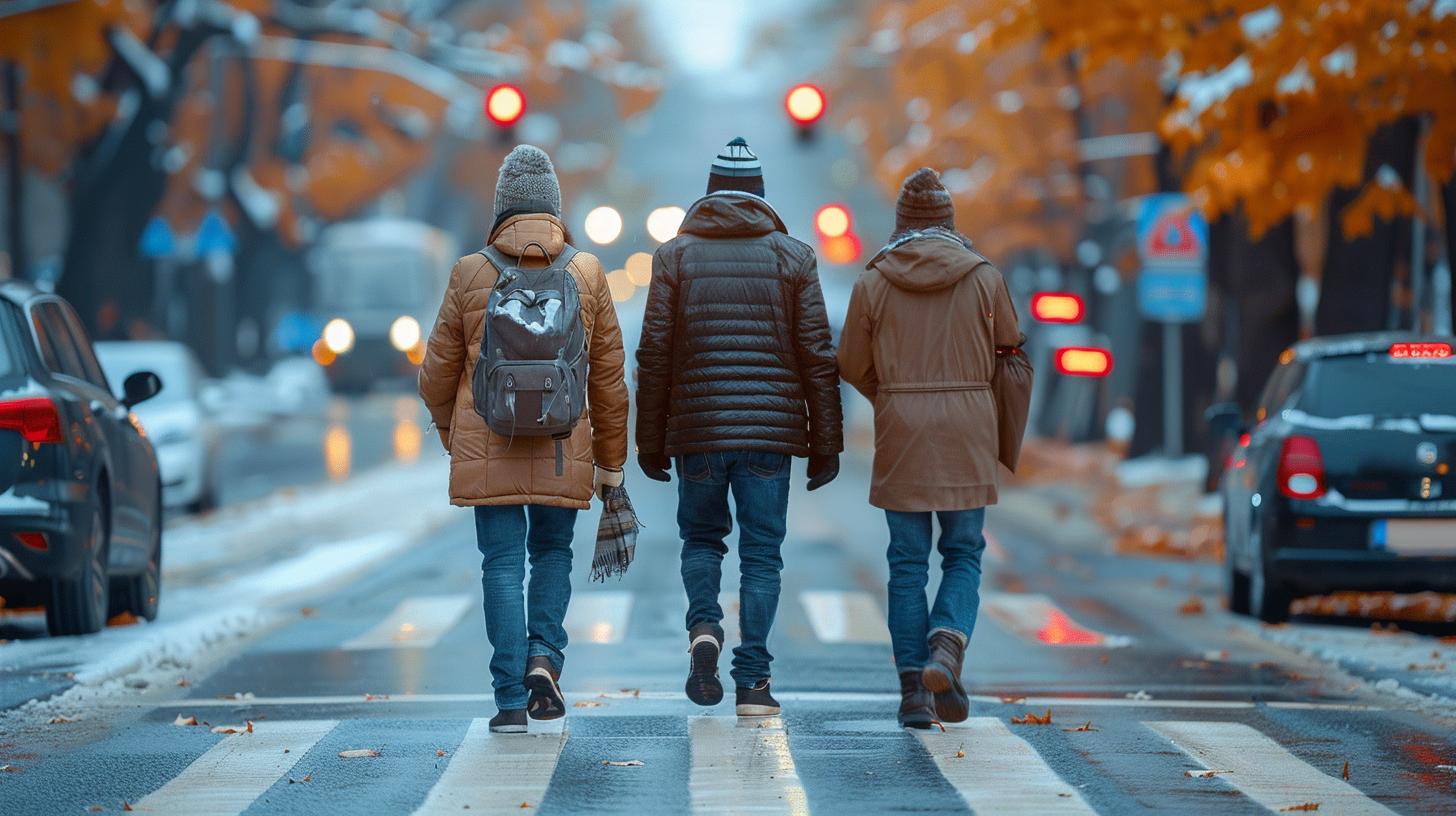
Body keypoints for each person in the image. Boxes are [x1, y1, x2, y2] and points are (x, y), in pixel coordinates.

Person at [419, 144, 629, 734]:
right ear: (556, 208)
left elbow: (435, 375)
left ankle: (510, 699)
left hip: (490, 443)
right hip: (564, 446)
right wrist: (610, 464)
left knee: (502, 564)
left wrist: (451, 434)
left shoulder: (470, 273)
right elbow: (610, 381)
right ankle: (545, 660)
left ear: (501, 207)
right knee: (553, 555)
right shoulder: (586, 274)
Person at [635, 137, 843, 717]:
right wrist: (826, 443)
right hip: (769, 435)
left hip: (697, 432)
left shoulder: (673, 257)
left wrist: (649, 440)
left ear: (708, 195)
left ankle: (704, 628)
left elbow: (654, 354)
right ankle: (753, 680)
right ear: (760, 197)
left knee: (701, 540)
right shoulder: (794, 258)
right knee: (762, 554)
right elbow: (817, 355)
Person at [837, 167, 1023, 729]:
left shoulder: (874, 280)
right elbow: (1009, 349)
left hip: (903, 432)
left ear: (900, 225)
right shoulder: (984, 277)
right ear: (947, 222)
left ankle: (914, 693)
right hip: (969, 428)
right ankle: (947, 645)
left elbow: (849, 362)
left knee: (906, 565)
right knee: (964, 553)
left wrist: (890, 394)